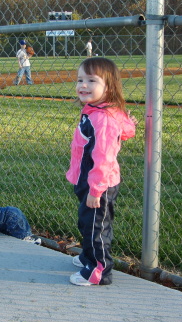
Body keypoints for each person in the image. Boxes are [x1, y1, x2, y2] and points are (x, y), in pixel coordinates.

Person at [66, 58, 137, 286]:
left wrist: (95, 191)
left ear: (109, 86)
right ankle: (89, 257)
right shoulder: (96, 110)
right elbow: (122, 129)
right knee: (87, 223)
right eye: (80, 80)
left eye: (91, 80)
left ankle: (99, 271)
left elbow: (104, 158)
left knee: (97, 228)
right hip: (87, 180)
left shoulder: (103, 118)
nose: (83, 85)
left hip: (98, 184)